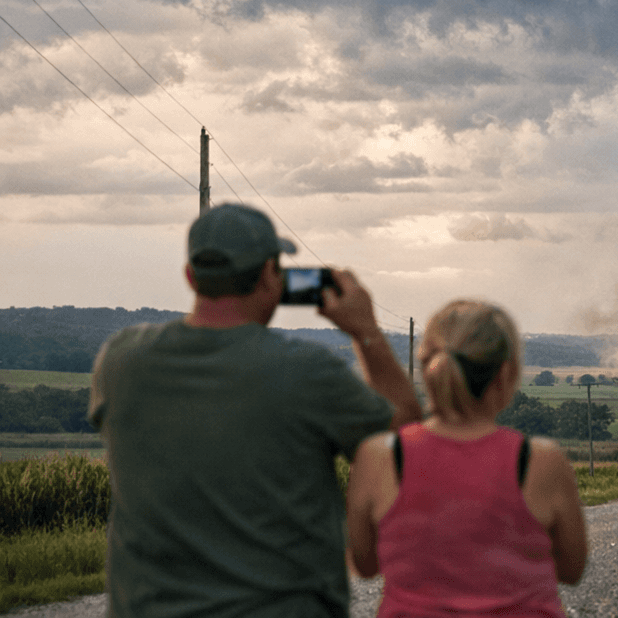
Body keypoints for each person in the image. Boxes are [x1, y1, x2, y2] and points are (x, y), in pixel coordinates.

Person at [89, 203, 423, 617]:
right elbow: (406, 439)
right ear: (271, 275)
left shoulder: (121, 360)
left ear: (191, 276)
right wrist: (366, 331)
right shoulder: (305, 370)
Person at [346, 299, 588, 617]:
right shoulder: (541, 461)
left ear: (427, 368)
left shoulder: (380, 458)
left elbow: (363, 565)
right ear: (506, 374)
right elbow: (571, 570)